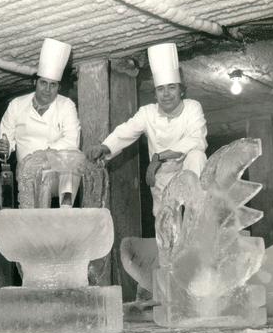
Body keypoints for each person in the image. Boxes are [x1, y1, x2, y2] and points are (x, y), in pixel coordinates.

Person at [86, 43, 207, 216]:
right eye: (160, 89)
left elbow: (197, 140)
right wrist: (104, 147)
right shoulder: (147, 112)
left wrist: (160, 157)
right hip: (161, 176)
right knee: (167, 227)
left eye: (172, 87)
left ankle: (197, 214)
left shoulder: (192, 107)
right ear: (155, 94)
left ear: (181, 91)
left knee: (197, 156)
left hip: (188, 169)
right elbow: (125, 131)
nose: (166, 94)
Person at [0, 38, 81, 207]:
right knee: (33, 218)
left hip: (57, 172)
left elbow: (72, 141)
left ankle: (66, 210)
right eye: (43, 83)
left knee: (73, 160)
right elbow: (4, 141)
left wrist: (43, 156)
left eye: (53, 85)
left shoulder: (66, 105)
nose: (47, 90)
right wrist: (2, 148)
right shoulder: (17, 105)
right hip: (28, 176)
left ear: (59, 87)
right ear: (35, 82)